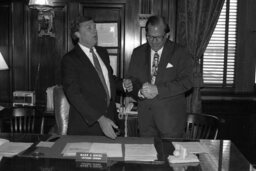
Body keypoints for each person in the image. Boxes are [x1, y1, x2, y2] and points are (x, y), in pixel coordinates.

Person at [61, 16, 132, 139]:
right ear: (77, 34)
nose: (94, 31)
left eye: (94, 27)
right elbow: (74, 95)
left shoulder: (102, 53)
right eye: (89, 28)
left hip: (110, 121)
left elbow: (107, 79)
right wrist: (100, 119)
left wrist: (122, 84)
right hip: (86, 126)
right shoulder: (70, 60)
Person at [127, 15, 193, 138]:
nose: (154, 41)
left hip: (171, 123)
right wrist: (140, 92)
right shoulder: (138, 53)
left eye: (158, 37)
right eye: (150, 37)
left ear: (167, 35)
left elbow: (188, 81)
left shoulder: (180, 52)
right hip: (146, 123)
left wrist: (158, 89)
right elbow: (132, 80)